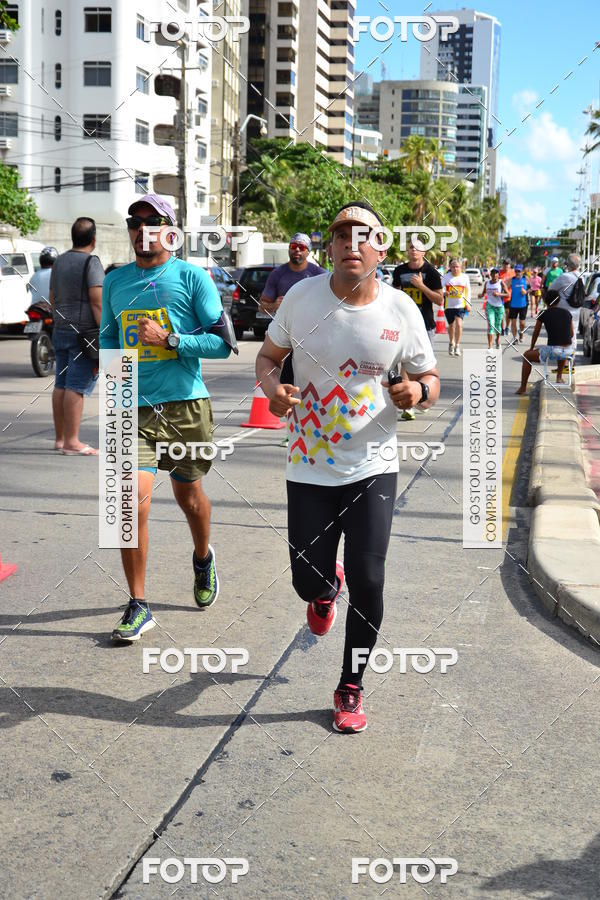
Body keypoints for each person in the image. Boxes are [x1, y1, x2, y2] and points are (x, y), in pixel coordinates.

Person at [256, 202, 440, 733]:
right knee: (305, 581)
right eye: (342, 234)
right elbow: (267, 359)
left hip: (373, 466)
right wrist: (273, 389)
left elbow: (430, 379)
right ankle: (322, 587)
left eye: (365, 236)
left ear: (382, 248)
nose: (352, 243)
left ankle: (350, 685)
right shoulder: (300, 298)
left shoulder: (402, 309)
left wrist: (417, 390)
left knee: (371, 578)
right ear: (329, 247)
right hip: (309, 466)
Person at [100, 194, 234, 642]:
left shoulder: (191, 277)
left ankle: (202, 558)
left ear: (170, 230)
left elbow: (222, 344)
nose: (142, 230)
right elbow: (108, 343)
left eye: (153, 222)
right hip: (132, 408)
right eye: (134, 222)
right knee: (126, 501)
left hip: (184, 406)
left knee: (189, 498)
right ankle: (138, 603)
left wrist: (171, 339)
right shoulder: (116, 281)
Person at [259, 233, 327, 444]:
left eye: (301, 247)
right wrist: (275, 305)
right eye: (293, 246)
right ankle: (292, 431)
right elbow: (262, 305)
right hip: (285, 337)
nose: (297, 250)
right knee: (287, 383)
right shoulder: (278, 275)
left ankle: (322, 427)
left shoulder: (318, 274)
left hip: (313, 336)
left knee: (315, 384)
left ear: (308, 251)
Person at [49, 218, 104, 455]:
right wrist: (106, 334)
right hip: (84, 335)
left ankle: (60, 439)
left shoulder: (59, 261)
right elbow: (96, 300)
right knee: (76, 386)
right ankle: (73, 442)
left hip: (60, 329)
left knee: (61, 384)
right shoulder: (91, 262)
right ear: (93, 239)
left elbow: (52, 297)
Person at [392, 239, 443, 419]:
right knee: (404, 363)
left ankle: (422, 394)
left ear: (424, 252)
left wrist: (421, 286)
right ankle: (408, 405)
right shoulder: (400, 271)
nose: (414, 250)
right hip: (403, 325)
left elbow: (439, 300)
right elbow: (394, 296)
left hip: (425, 324)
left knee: (423, 365)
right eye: (411, 247)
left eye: (418, 248)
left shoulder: (431, 272)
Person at [516, 290, 574, 393]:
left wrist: (531, 347)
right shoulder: (567, 313)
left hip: (554, 351)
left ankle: (523, 387)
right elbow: (572, 334)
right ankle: (559, 377)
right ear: (558, 301)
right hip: (568, 351)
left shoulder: (543, 313)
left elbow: (536, 332)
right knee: (561, 347)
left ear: (545, 301)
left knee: (526, 356)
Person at [549, 253, 582, 359]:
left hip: (563, 312)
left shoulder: (564, 277)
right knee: (573, 337)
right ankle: (571, 362)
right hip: (576, 311)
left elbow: (551, 289)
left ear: (567, 264)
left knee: (562, 337)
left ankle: (563, 363)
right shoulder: (582, 277)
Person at [441, 258, 471, 356]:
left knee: (459, 324)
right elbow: (439, 289)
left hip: (460, 305)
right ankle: (451, 343)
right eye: (453, 267)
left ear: (461, 267)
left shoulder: (464, 277)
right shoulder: (446, 277)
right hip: (449, 305)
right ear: (450, 267)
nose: (455, 269)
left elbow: (468, 291)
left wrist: (468, 303)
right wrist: (444, 293)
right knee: (451, 326)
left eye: (457, 267)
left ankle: (457, 345)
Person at [480, 269, 509, 349]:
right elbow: (483, 293)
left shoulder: (501, 283)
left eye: (496, 273)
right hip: (489, 306)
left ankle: (497, 340)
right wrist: (480, 295)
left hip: (499, 307)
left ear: (498, 275)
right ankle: (490, 346)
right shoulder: (487, 283)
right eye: (493, 273)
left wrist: (499, 294)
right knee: (491, 326)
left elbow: (507, 294)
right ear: (491, 275)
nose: (494, 275)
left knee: (498, 326)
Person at [509, 264, 529, 343]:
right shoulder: (512, 280)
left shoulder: (525, 279)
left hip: (523, 304)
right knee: (513, 322)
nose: (517, 272)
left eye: (519, 271)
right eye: (516, 271)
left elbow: (531, 289)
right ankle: (515, 338)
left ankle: (521, 333)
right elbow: (505, 288)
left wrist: (526, 292)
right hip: (513, 304)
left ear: (522, 271)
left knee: (522, 323)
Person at [498, 258, 515, 335]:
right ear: (503, 265)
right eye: (505, 264)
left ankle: (507, 327)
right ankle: (502, 328)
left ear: (509, 265)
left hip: (509, 296)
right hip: (500, 296)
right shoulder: (499, 273)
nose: (506, 266)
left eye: (507, 264)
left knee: (508, 312)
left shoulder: (513, 273)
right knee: (501, 313)